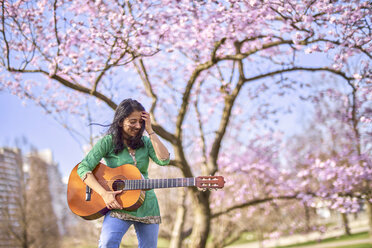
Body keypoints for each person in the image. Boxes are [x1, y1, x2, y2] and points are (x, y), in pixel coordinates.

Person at [77, 98, 170, 248]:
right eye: (133, 121)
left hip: (147, 204)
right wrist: (104, 193)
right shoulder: (108, 142)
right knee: (108, 243)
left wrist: (151, 131)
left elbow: (164, 160)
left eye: (141, 122)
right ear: (120, 121)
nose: (138, 126)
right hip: (118, 204)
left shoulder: (146, 142)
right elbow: (83, 168)